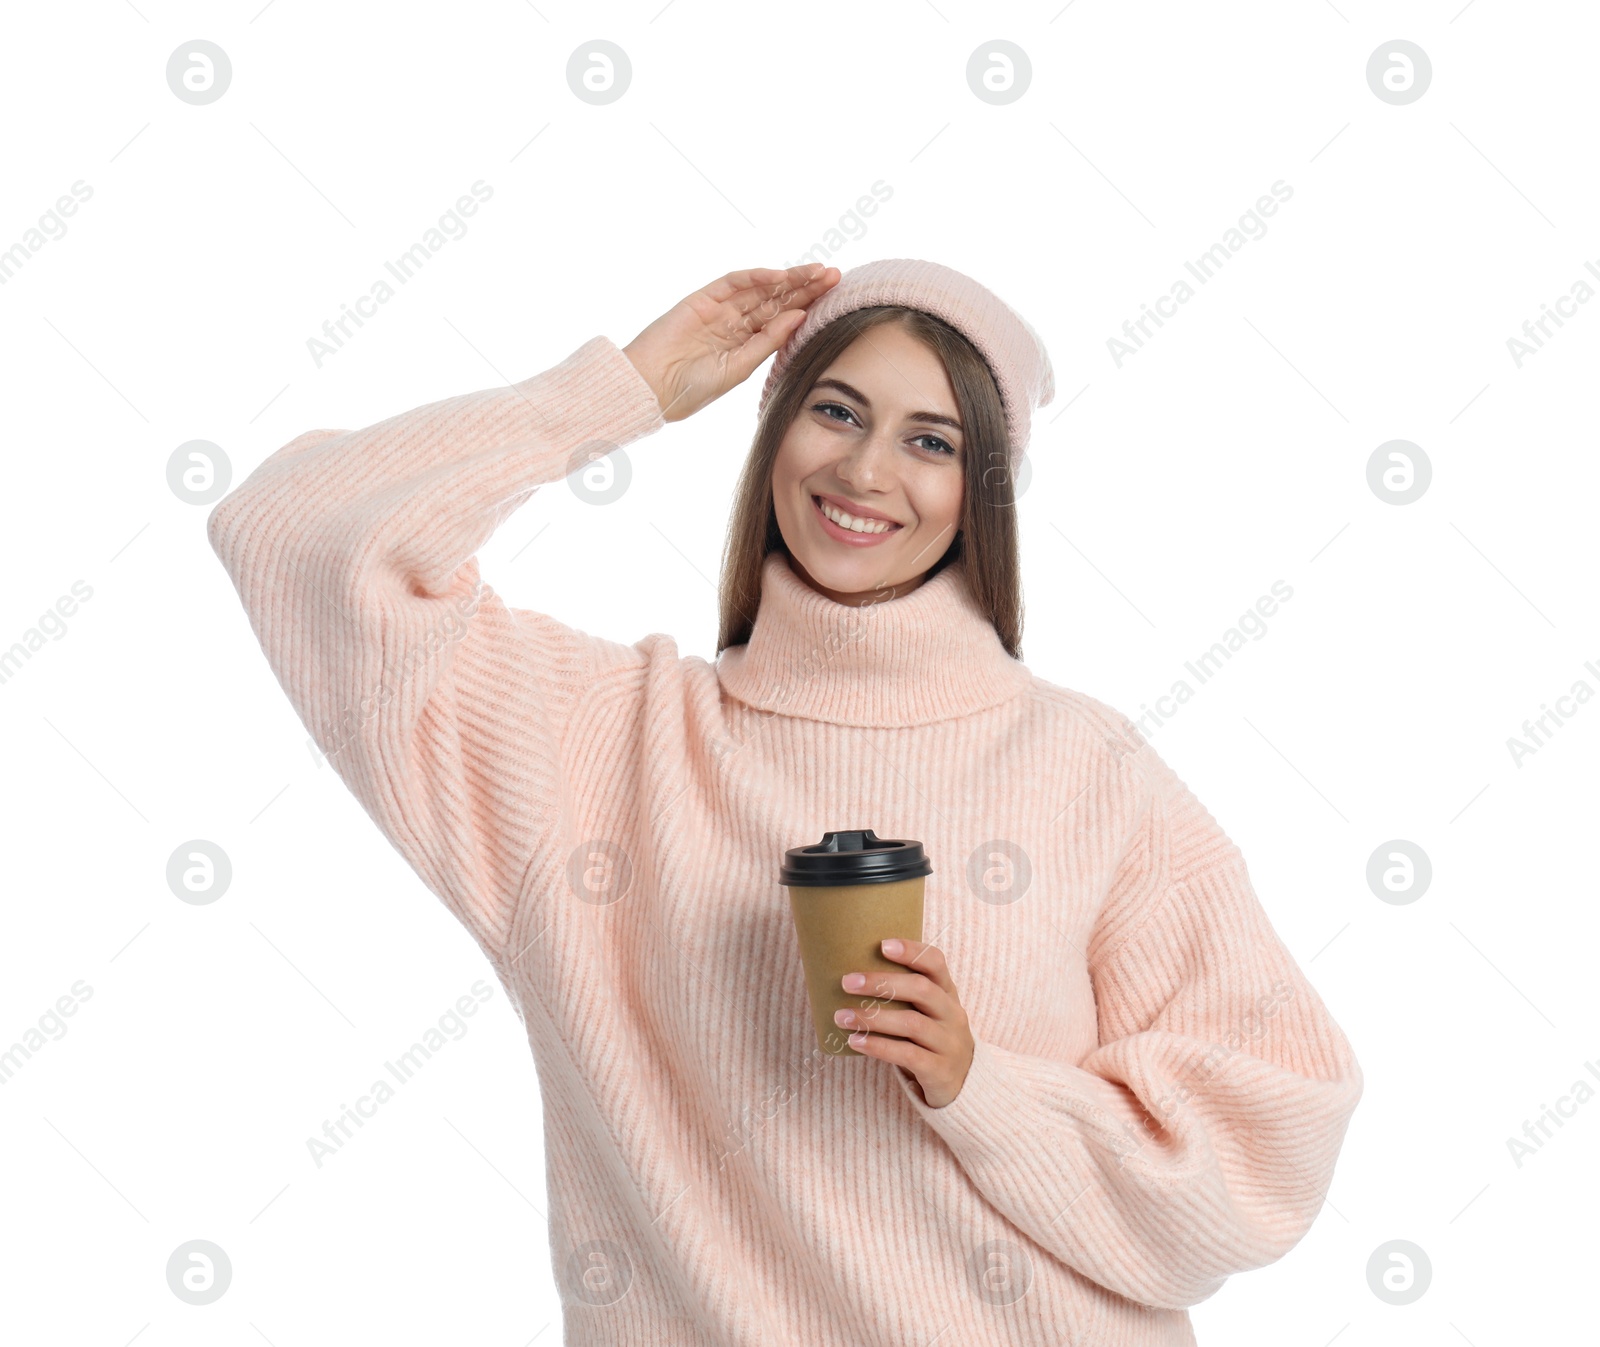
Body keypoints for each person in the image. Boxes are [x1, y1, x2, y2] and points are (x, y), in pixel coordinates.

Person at [207, 258, 1363, 1345]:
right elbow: (291, 533)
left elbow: (1268, 1144)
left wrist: (979, 1086)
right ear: (773, 433)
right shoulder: (596, 742)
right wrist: (617, 394)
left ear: (985, 491)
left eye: (932, 439)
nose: (865, 473)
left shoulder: (1086, 771)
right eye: (836, 412)